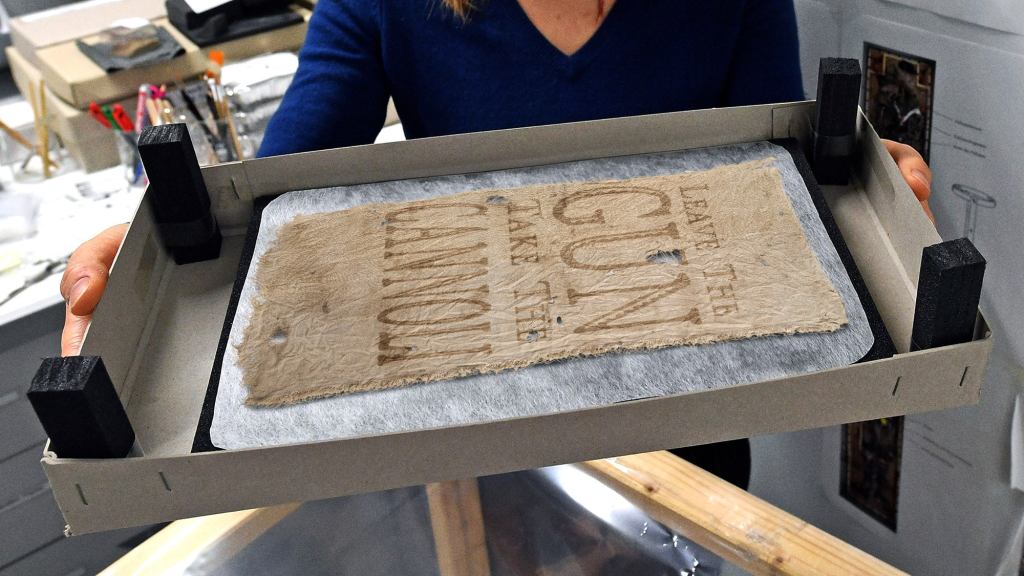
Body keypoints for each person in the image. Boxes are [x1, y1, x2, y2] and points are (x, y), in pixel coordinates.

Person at [57, 0, 934, 488]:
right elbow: (278, 196)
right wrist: (158, 263)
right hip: (478, 444)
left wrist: (855, 195)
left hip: (690, 442)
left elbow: (767, 179)